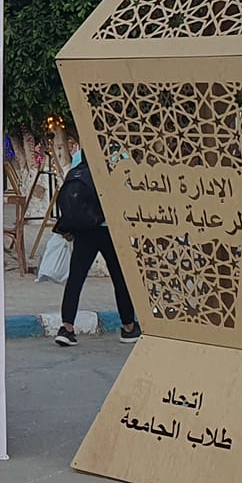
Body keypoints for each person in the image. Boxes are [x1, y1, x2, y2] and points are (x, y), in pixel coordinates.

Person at [52, 137, 141, 346]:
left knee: (76, 278)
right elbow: (128, 188)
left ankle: (67, 328)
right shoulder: (120, 156)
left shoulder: (80, 156)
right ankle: (128, 327)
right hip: (110, 228)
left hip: (85, 228)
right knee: (120, 279)